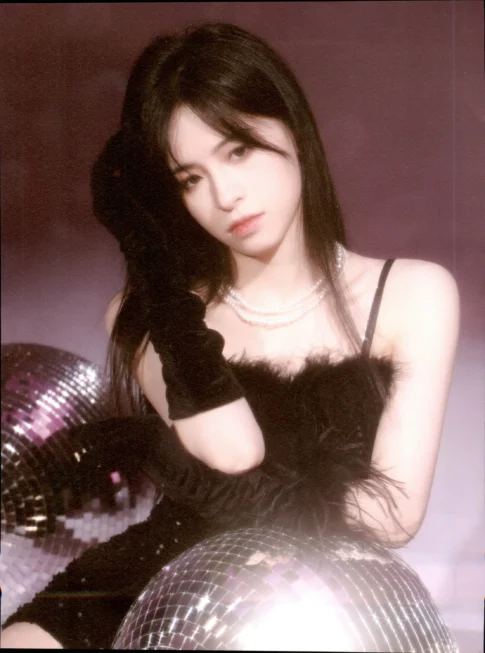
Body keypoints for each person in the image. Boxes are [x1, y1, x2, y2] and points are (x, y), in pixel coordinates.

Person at [1, 21, 459, 649]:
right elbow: (234, 450)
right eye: (189, 179)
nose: (224, 195)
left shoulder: (413, 294)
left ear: (293, 129)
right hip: (149, 585)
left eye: (238, 151)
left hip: (300, 610)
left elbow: (392, 517)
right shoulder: (151, 315)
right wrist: (144, 249)